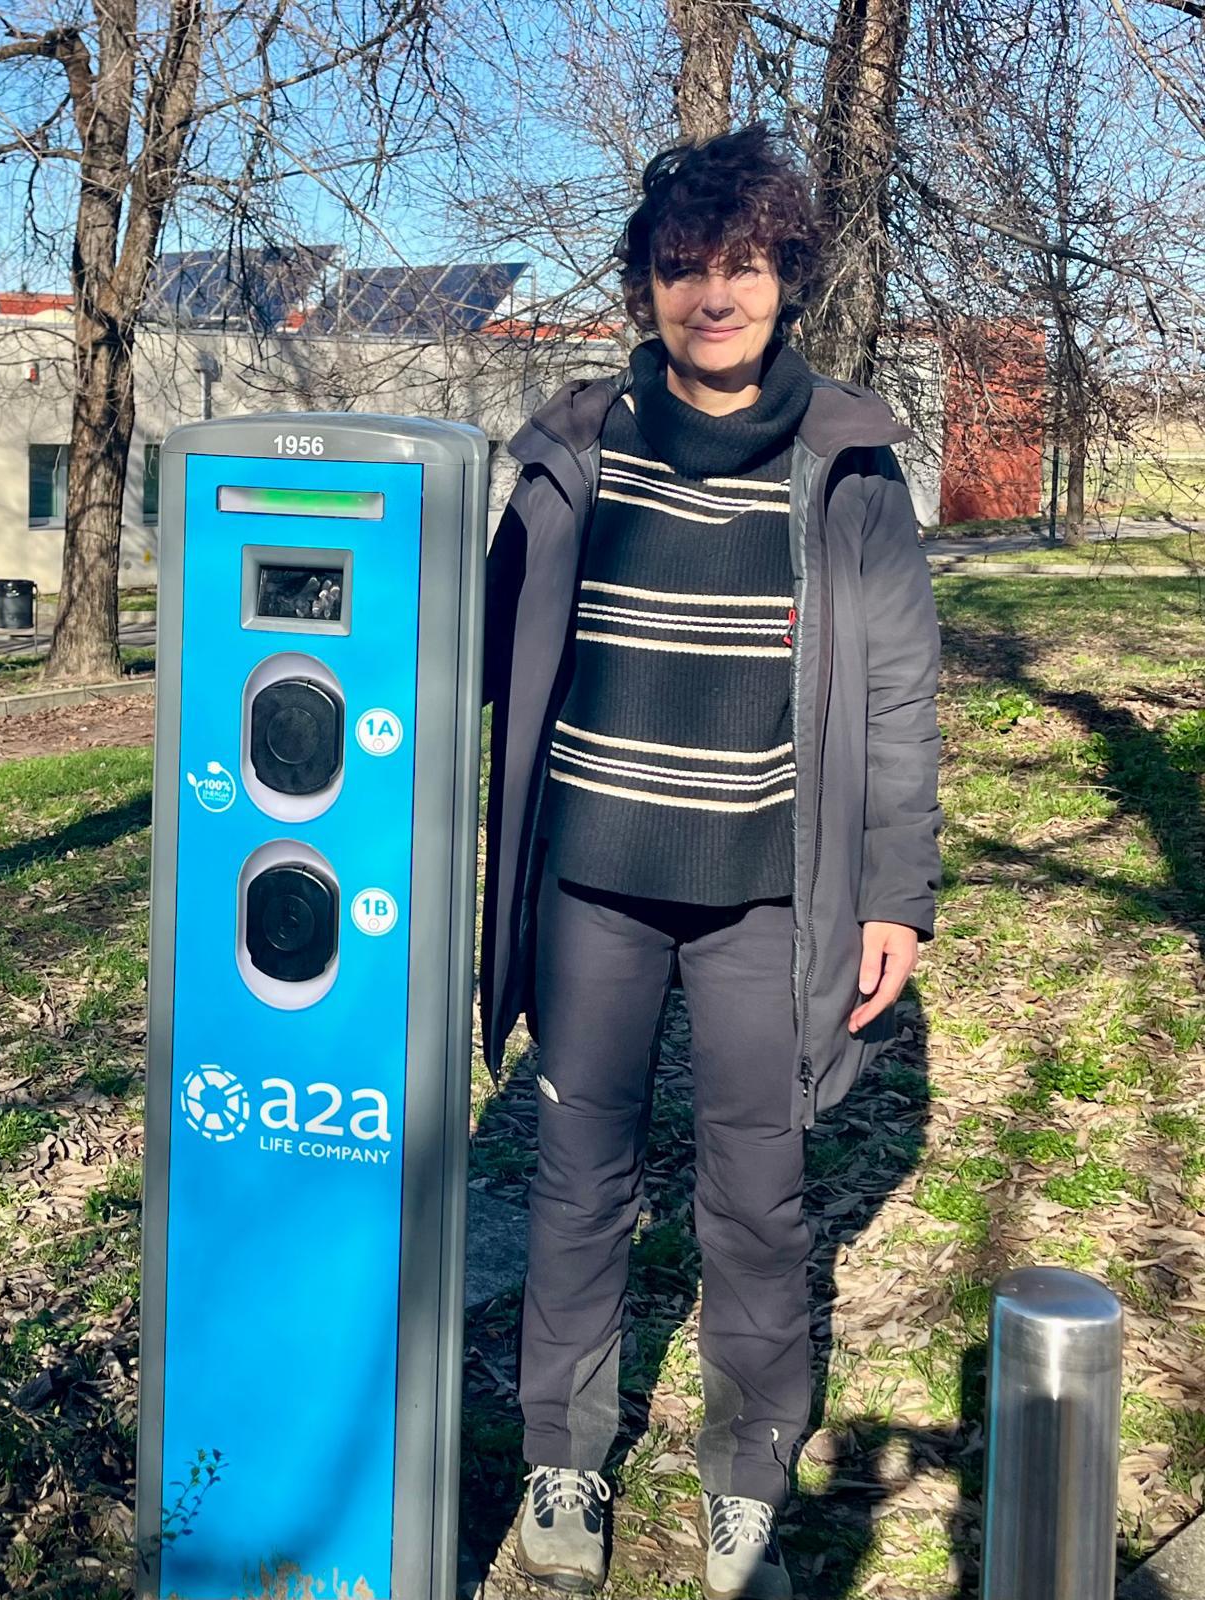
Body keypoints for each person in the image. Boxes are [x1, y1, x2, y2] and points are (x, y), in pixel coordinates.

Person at [479, 123, 944, 1600]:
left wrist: (896, 895)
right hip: (593, 881)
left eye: (741, 264)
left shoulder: (849, 464)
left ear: (785, 276)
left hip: (769, 895)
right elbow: (481, 651)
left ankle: (748, 1475)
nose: (714, 294)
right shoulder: (577, 447)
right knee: (576, 1177)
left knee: (759, 1193)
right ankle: (564, 1454)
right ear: (649, 288)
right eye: (684, 267)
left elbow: (898, 694)